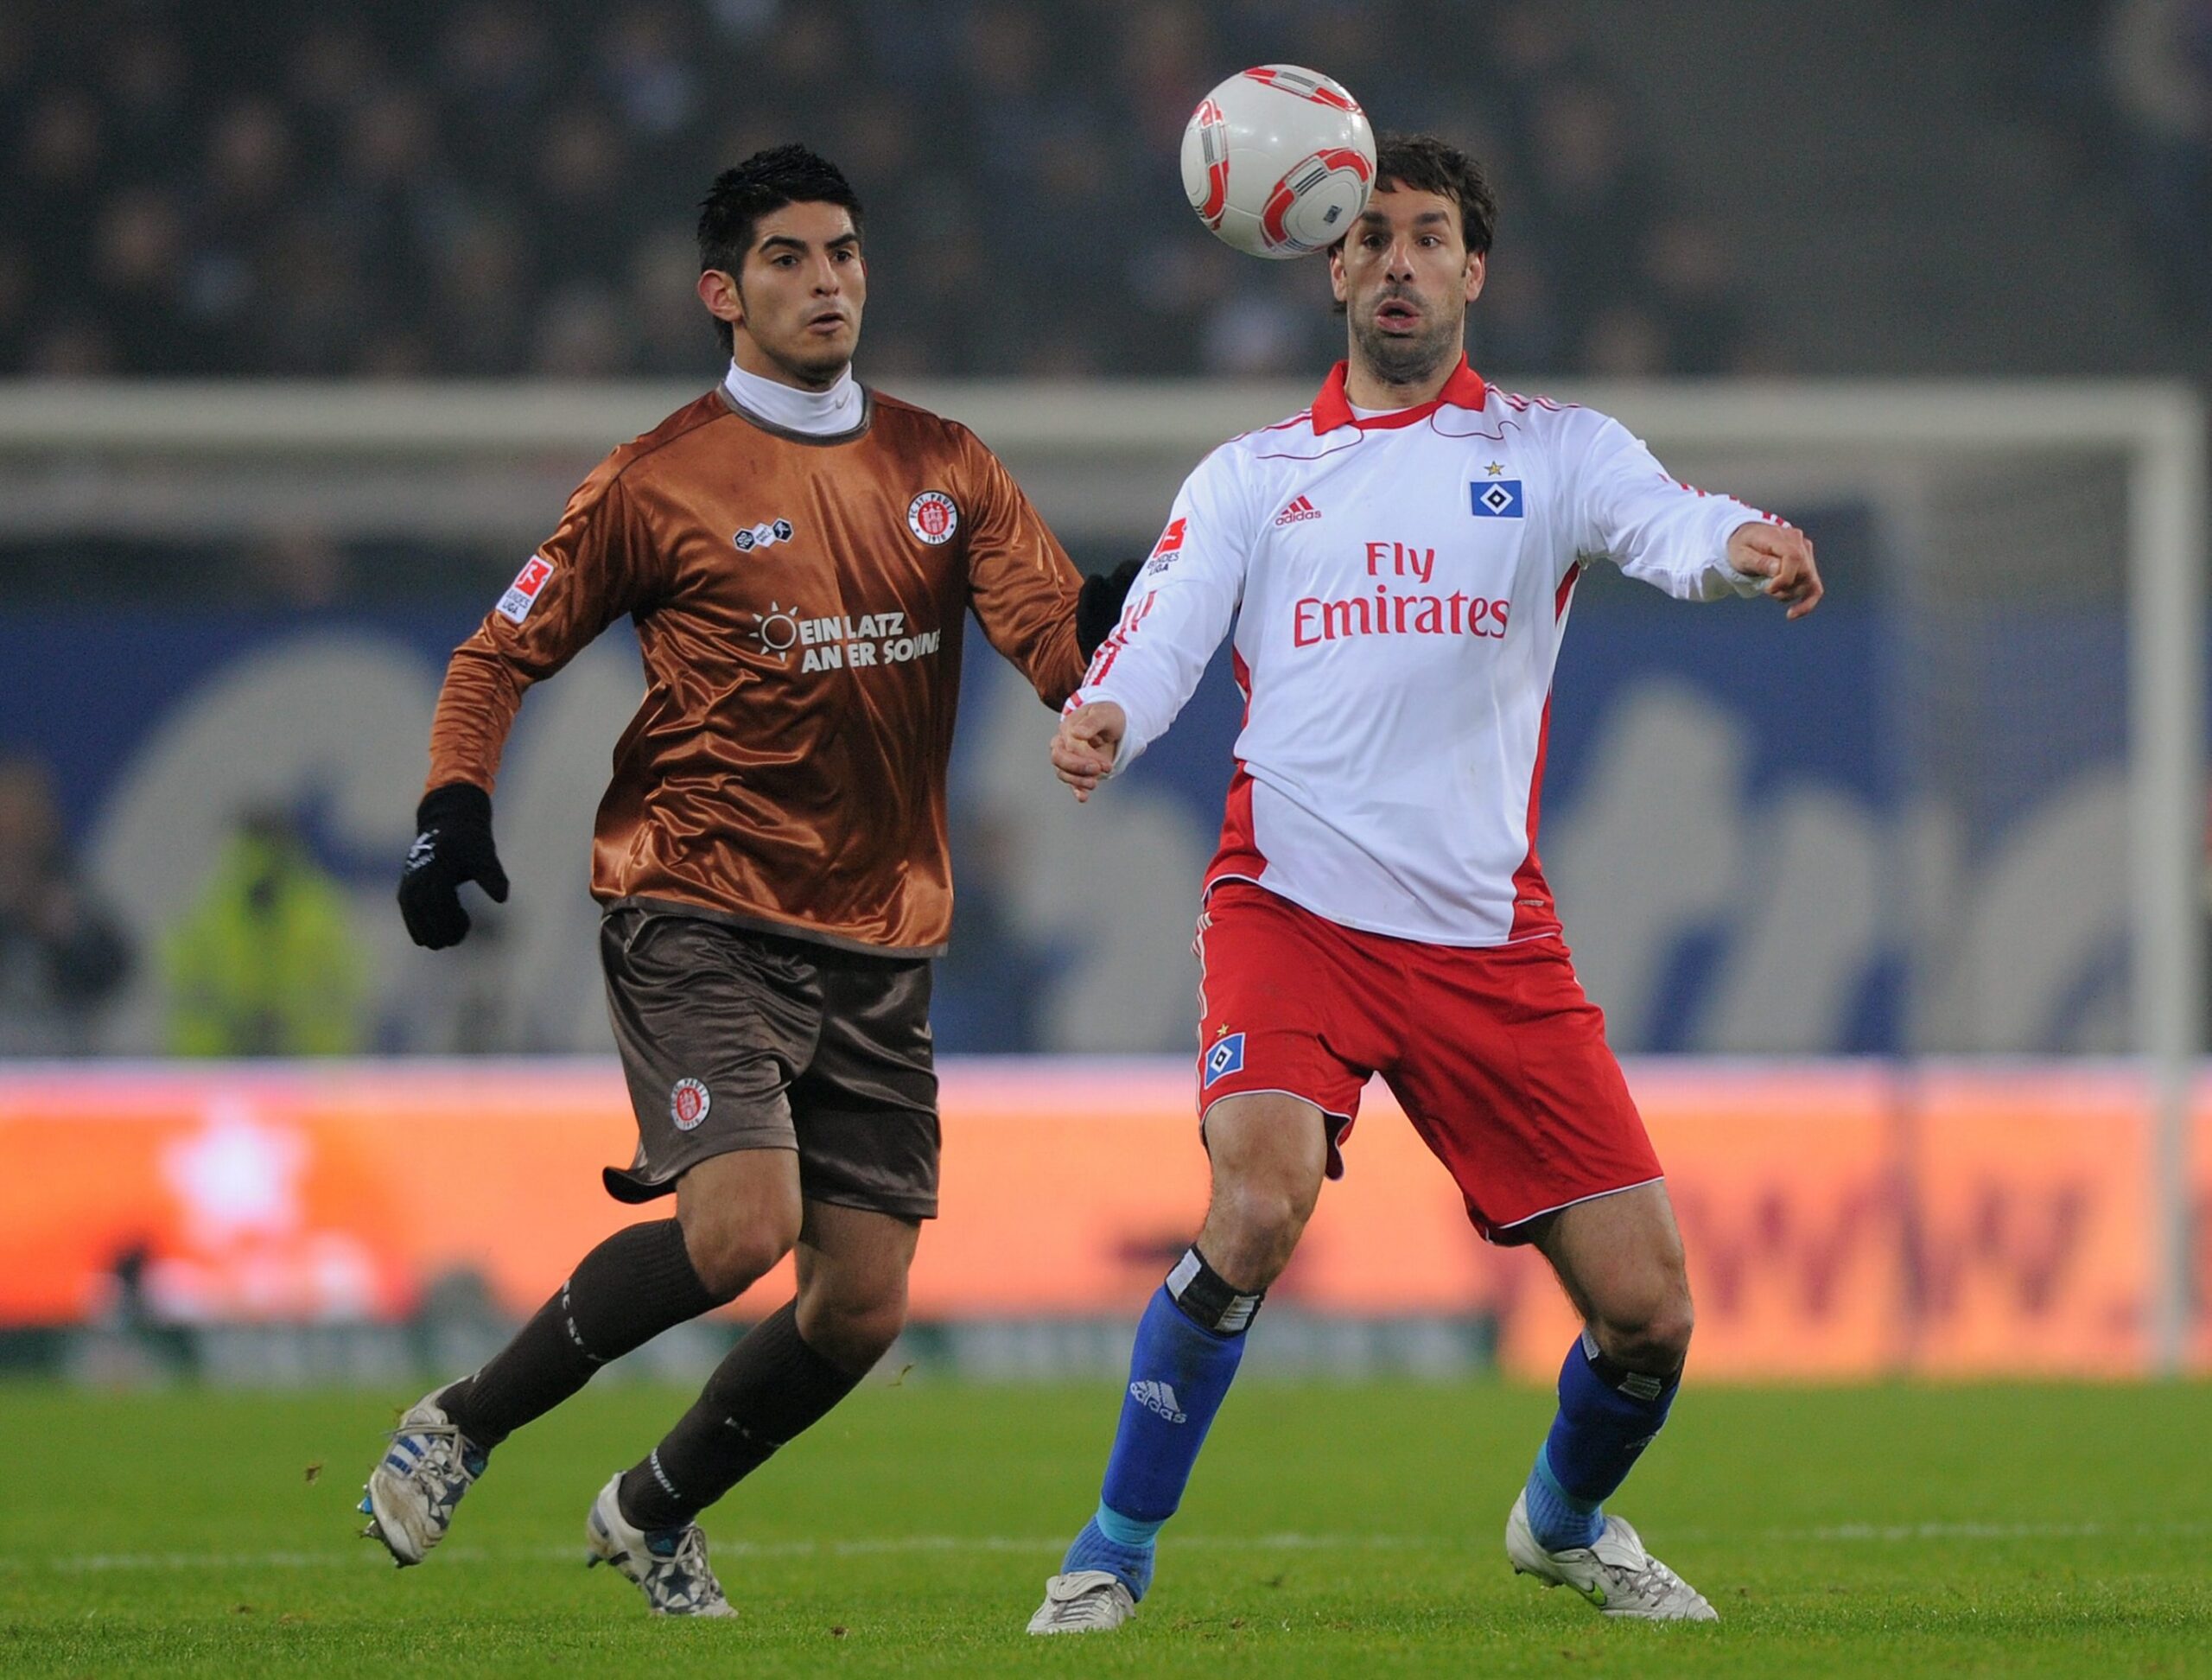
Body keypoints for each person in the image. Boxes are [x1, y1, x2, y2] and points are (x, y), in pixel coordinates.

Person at [1028, 134, 1821, 1634]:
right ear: (1328, 261)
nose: (1398, 260)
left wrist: (1745, 544)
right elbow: (1169, 619)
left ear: (1474, 271)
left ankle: (1564, 1521)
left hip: (1485, 935)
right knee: (1257, 1202)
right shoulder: (1258, 473)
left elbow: (1670, 522)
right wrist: (1110, 713)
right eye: (1371, 234)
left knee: (1651, 1315)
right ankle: (1110, 1549)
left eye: (1429, 236)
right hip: (1294, 905)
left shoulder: (1554, 450)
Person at [358, 145, 1135, 1616]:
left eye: (843, 251)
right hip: (696, 900)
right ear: (722, 292)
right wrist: (452, 803)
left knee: (858, 1304)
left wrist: (1123, 610)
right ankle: (462, 1419)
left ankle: (654, 1506)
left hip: (881, 930)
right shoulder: (660, 479)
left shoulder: (945, 462)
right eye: (788, 257)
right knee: (737, 1227)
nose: (827, 278)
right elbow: (496, 651)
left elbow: (1056, 647)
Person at [163, 808, 368, 1056]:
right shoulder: (317, 914)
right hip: (231, 1066)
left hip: (296, 1068)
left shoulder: (210, 914)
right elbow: (190, 995)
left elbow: (338, 998)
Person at [0, 753, 130, 1056]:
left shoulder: (64, 889)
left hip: (61, 1069)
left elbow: (113, 969)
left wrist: (65, 932)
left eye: (26, 820)